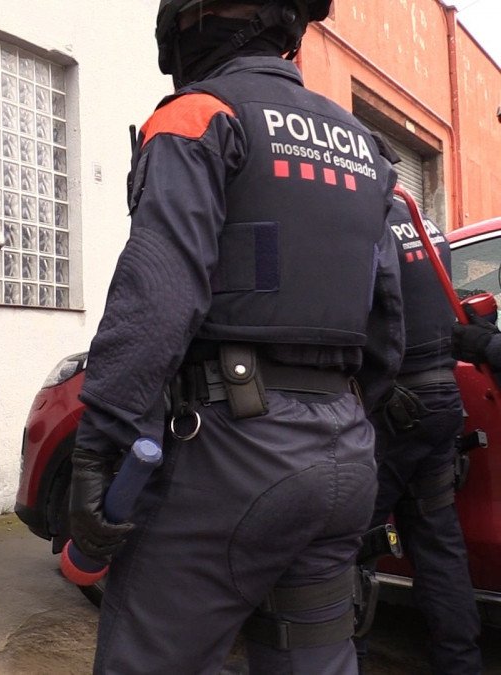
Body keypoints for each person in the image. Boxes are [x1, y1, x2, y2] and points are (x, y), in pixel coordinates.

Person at [68, 1, 405, 673]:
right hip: (345, 453)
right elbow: (387, 320)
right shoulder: (366, 150)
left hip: (232, 455)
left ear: (191, 31)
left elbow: (158, 294)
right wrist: (338, 412)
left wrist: (96, 446)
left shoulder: (199, 115)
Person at [353, 195, 482, 673]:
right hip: (441, 398)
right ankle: (460, 663)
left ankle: (347, 660)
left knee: (352, 544)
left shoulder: (364, 216)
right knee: (438, 544)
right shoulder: (423, 220)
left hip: (393, 405)